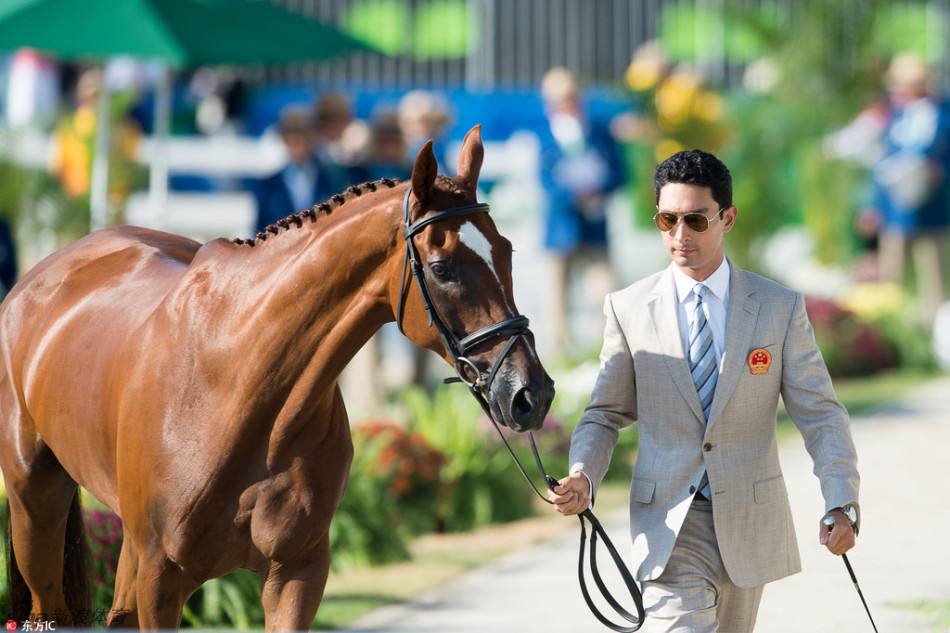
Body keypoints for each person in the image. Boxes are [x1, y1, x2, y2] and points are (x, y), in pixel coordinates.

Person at [550, 150, 861, 632]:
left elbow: (820, 414)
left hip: (749, 523)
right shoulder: (628, 308)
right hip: (669, 526)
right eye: (667, 220)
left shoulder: (778, 308)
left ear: (727, 218)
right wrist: (583, 475)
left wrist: (841, 501)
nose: (680, 236)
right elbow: (605, 413)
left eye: (695, 220)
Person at [538, 67, 626, 348]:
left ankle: (608, 353)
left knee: (606, 293)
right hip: (562, 228)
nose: (568, 105)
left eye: (572, 97)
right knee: (557, 302)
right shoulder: (546, 137)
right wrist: (572, 193)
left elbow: (620, 173)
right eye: (560, 99)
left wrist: (596, 190)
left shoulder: (599, 133)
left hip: (594, 227)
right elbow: (546, 182)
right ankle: (559, 354)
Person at [861, 53, 950, 326]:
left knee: (933, 277)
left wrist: (939, 170)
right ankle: (894, 330)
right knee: (891, 276)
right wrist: (873, 204)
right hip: (895, 209)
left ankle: (931, 332)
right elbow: (881, 163)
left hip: (932, 211)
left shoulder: (942, 114)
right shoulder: (893, 117)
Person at [253, 106, 339, 234]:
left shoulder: (332, 179)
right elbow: (259, 230)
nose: (297, 141)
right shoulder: (267, 186)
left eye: (303, 135)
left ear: (312, 138)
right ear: (284, 138)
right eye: (291, 135)